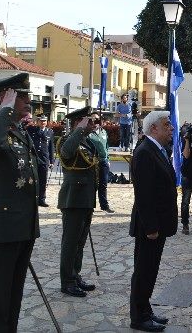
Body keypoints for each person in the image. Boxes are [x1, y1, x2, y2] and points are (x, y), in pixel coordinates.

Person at [0, 73, 40, 332]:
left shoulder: (17, 130)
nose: (28, 101)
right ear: (5, 98)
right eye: (21, 96)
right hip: (3, 225)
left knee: (14, 290)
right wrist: (3, 110)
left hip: (22, 224)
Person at [129, 110, 177, 332]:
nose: (172, 128)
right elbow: (144, 195)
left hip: (158, 224)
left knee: (151, 271)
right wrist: (151, 227)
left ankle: (146, 310)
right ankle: (139, 317)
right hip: (151, 227)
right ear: (154, 128)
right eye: (167, 125)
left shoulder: (157, 150)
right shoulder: (145, 152)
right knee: (144, 271)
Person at [57, 106, 99, 298]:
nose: (92, 124)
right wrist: (79, 130)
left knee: (80, 241)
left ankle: (75, 274)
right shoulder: (67, 140)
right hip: (73, 199)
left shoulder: (87, 142)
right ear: (77, 122)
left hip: (86, 198)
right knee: (70, 242)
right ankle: (67, 281)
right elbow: (66, 153)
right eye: (87, 121)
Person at [26, 115, 55, 207]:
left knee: (43, 180)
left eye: (44, 121)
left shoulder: (49, 132)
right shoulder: (32, 130)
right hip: (34, 158)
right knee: (33, 179)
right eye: (41, 121)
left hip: (44, 159)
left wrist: (51, 161)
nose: (43, 123)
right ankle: (32, 199)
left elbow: (51, 147)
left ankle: (41, 199)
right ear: (37, 122)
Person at [88, 112, 114, 213]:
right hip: (92, 162)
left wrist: (108, 159)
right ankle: (90, 206)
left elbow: (106, 147)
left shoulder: (104, 132)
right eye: (93, 119)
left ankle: (104, 206)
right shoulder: (88, 133)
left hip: (104, 162)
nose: (95, 121)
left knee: (103, 185)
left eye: (97, 119)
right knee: (92, 185)